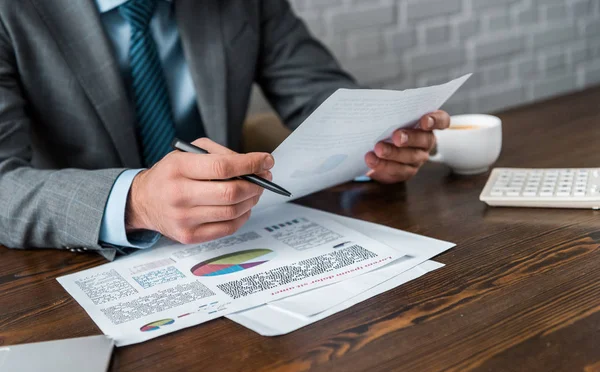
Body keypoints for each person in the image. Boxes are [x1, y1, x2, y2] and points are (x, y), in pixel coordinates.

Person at [0, 0, 449, 260]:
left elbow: (315, 91)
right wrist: (136, 201)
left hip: (232, 243)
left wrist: (375, 145)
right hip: (71, 260)